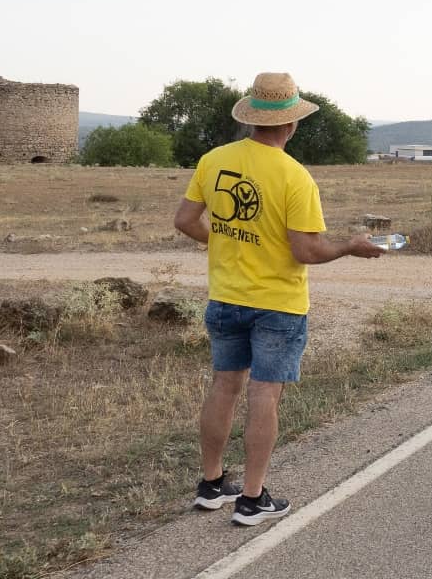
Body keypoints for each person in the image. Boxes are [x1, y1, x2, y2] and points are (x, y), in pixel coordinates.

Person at [174, 72, 384, 526]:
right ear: (291, 124)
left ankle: (211, 484)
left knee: (224, 386)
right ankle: (252, 498)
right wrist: (349, 246)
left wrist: (224, 243)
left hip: (225, 295)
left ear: (252, 117)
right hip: (278, 303)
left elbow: (186, 220)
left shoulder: (213, 160)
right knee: (264, 394)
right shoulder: (295, 177)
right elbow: (306, 251)